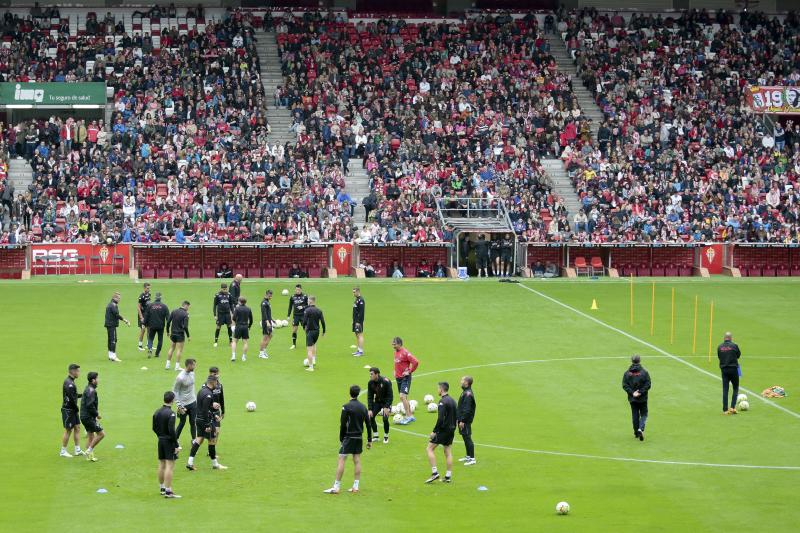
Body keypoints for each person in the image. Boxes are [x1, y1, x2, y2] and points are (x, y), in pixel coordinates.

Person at [323, 385, 372, 494]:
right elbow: (368, 424)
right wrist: (369, 439)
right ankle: (355, 486)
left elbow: (343, 424)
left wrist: (341, 438)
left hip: (349, 437)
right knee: (357, 460)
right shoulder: (363, 407)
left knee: (341, 459)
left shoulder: (346, 407)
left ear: (350, 393)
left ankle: (336, 487)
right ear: (358, 394)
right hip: (359, 437)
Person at [186, 375, 227, 471]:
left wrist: (213, 409)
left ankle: (190, 462)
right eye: (216, 382)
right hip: (205, 421)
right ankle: (215, 464)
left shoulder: (202, 391)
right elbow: (205, 410)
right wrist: (208, 425)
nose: (217, 384)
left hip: (199, 419)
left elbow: (204, 407)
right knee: (212, 440)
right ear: (213, 382)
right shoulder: (209, 394)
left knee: (199, 440)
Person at [425, 381, 457, 484]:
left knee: (429, 449)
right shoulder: (453, 400)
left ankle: (435, 473)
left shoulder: (442, 401)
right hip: (452, 429)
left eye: (438, 388)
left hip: (443, 430)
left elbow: (440, 419)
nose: (437, 390)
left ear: (441, 389)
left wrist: (434, 431)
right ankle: (448, 476)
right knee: (448, 452)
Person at [152, 390, 181, 498]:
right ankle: (168, 492)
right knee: (169, 466)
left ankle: (162, 488)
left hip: (160, 440)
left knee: (161, 464)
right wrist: (176, 445)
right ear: (172, 400)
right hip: (169, 441)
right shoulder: (171, 413)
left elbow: (154, 428)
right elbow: (171, 430)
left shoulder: (157, 412)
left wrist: (160, 436)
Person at [622, 355, 651, 441]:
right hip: (643, 398)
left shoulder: (627, 373)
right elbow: (648, 384)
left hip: (632, 398)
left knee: (635, 415)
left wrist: (632, 393)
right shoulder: (644, 372)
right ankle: (640, 429)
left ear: (632, 361)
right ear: (639, 361)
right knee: (644, 414)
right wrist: (640, 392)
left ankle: (636, 433)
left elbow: (624, 385)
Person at [393, 337, 419, 424]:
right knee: (404, 397)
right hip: (398, 378)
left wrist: (410, 371)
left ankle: (408, 416)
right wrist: (395, 371)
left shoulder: (405, 353)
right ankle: (411, 415)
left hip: (405, 378)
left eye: (394, 344)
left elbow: (416, 362)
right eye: (392, 344)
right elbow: (397, 363)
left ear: (399, 344)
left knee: (402, 396)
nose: (393, 346)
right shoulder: (395, 352)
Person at [60, 363, 84, 457]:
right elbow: (71, 399)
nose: (79, 373)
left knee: (77, 427)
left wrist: (83, 395)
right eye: (78, 371)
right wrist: (76, 408)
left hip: (72, 409)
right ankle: (63, 451)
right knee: (68, 430)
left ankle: (77, 450)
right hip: (69, 410)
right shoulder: (69, 384)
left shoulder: (71, 382)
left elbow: (74, 395)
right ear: (73, 371)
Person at [80, 372, 104, 462]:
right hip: (88, 417)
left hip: (84, 416)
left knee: (91, 436)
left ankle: (90, 456)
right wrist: (97, 414)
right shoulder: (91, 391)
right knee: (101, 434)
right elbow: (90, 405)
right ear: (93, 380)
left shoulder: (88, 388)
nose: (99, 380)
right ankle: (89, 450)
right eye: (97, 378)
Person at [173, 358, 197, 445]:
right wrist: (179, 405)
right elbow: (175, 391)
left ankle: (194, 440)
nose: (195, 366)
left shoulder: (192, 373)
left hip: (193, 402)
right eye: (194, 365)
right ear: (189, 365)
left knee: (193, 422)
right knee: (182, 423)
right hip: (183, 404)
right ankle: (175, 440)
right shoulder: (180, 378)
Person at [717, 332, 742, 414]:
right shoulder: (734, 346)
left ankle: (725, 409)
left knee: (725, 389)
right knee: (735, 388)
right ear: (731, 338)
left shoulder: (720, 346)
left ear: (724, 338)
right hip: (733, 369)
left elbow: (719, 357)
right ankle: (732, 407)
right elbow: (738, 355)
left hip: (724, 370)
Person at [367, 367, 393, 444]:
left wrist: (386, 407)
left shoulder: (386, 381)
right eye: (370, 374)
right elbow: (370, 396)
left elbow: (390, 396)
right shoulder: (370, 383)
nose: (370, 375)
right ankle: (376, 436)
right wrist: (370, 409)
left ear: (377, 374)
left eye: (371, 374)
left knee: (385, 419)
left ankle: (386, 436)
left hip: (386, 402)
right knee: (371, 416)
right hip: (378, 402)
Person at [302, 295, 326, 372]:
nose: (307, 301)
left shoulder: (307, 310)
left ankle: (311, 367)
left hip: (310, 332)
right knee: (314, 345)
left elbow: (304, 321)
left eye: (308, 300)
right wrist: (324, 331)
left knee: (309, 349)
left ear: (310, 301)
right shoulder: (319, 310)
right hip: (317, 332)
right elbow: (323, 322)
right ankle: (314, 360)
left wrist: (304, 327)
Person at [456, 375, 477, 465]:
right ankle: (468, 456)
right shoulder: (465, 392)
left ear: (466, 383)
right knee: (465, 437)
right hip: (462, 419)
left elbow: (467, 409)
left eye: (462, 380)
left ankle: (472, 459)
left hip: (465, 421)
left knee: (468, 438)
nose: (461, 381)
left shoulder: (468, 394)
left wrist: (463, 421)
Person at [104, 292, 130, 362]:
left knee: (110, 340)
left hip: (109, 324)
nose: (119, 300)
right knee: (113, 340)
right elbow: (117, 315)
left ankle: (110, 355)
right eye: (118, 298)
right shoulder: (113, 305)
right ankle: (114, 356)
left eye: (119, 298)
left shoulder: (111, 304)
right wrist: (125, 320)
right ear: (114, 298)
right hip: (111, 325)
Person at [166, 301, 191, 371]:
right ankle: (177, 366)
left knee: (171, 348)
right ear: (185, 305)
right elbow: (185, 327)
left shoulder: (174, 311)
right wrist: (188, 336)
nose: (188, 308)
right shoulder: (186, 314)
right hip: (180, 334)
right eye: (188, 307)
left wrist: (167, 331)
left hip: (173, 333)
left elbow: (168, 322)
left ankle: (167, 365)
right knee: (179, 350)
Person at [143, 293, 169, 358]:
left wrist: (144, 323)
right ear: (160, 298)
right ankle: (157, 353)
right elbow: (168, 318)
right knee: (160, 340)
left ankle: (150, 349)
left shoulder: (150, 305)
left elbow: (146, 316)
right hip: (161, 326)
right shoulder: (164, 306)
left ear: (155, 298)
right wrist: (168, 328)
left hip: (152, 325)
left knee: (150, 338)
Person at [287, 284, 308, 350]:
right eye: (296, 289)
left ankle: (308, 344)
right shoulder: (292, 297)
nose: (297, 291)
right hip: (295, 316)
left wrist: (303, 307)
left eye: (298, 289)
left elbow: (309, 305)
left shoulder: (305, 296)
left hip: (303, 315)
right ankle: (294, 344)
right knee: (294, 330)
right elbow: (290, 307)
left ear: (301, 289)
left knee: (306, 330)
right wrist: (288, 315)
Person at [231, 297, 253, 362]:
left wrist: (236, 323)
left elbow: (234, 318)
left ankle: (233, 356)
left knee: (234, 341)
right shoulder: (248, 309)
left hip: (238, 326)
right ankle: (243, 357)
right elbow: (251, 319)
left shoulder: (237, 308)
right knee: (245, 342)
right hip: (245, 326)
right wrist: (249, 326)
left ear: (239, 302)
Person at [213, 283, 234, 348]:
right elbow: (214, 305)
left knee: (229, 326)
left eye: (226, 289)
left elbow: (231, 304)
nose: (225, 290)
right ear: (221, 288)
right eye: (223, 289)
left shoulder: (229, 295)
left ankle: (230, 341)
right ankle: (216, 342)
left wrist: (233, 313)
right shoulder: (217, 295)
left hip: (227, 314)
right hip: (220, 314)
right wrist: (215, 315)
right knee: (218, 327)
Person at [209, 366, 226, 444]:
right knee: (212, 432)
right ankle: (211, 446)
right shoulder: (206, 385)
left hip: (216, 411)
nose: (217, 375)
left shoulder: (219, 385)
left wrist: (223, 411)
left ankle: (213, 447)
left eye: (217, 374)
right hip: (208, 411)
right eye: (215, 374)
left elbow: (221, 398)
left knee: (217, 431)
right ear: (210, 374)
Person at [258, 290, 273, 359]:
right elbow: (264, 313)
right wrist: (267, 322)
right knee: (265, 337)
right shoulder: (264, 303)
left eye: (271, 296)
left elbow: (268, 312)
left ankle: (264, 350)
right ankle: (261, 354)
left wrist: (272, 319)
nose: (270, 297)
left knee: (270, 335)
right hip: (266, 322)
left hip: (269, 321)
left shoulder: (267, 302)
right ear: (266, 294)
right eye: (269, 296)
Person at [137, 282, 152, 351]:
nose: (149, 289)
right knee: (143, 330)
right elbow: (138, 307)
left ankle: (149, 345)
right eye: (147, 288)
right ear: (144, 288)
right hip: (142, 315)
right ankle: (140, 346)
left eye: (149, 288)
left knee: (149, 329)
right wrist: (141, 317)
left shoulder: (149, 294)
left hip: (148, 315)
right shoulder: (141, 296)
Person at [352, 287, 365, 356]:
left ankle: (361, 351)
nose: (353, 293)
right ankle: (358, 350)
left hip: (358, 321)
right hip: (355, 321)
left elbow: (361, 312)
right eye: (353, 292)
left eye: (354, 292)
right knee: (357, 335)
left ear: (358, 292)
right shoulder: (357, 299)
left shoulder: (361, 300)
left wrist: (358, 322)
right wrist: (353, 320)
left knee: (360, 335)